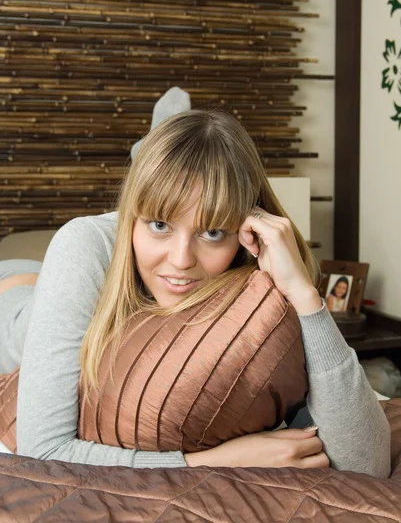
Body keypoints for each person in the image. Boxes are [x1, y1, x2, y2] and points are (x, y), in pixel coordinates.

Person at [0, 104, 391, 478]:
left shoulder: (255, 274)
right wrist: (211, 461)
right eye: (159, 224)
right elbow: (44, 451)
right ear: (132, 216)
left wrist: (306, 296)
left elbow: (366, 465)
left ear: (243, 229)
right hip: (14, 299)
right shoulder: (84, 247)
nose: (182, 259)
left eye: (212, 232)